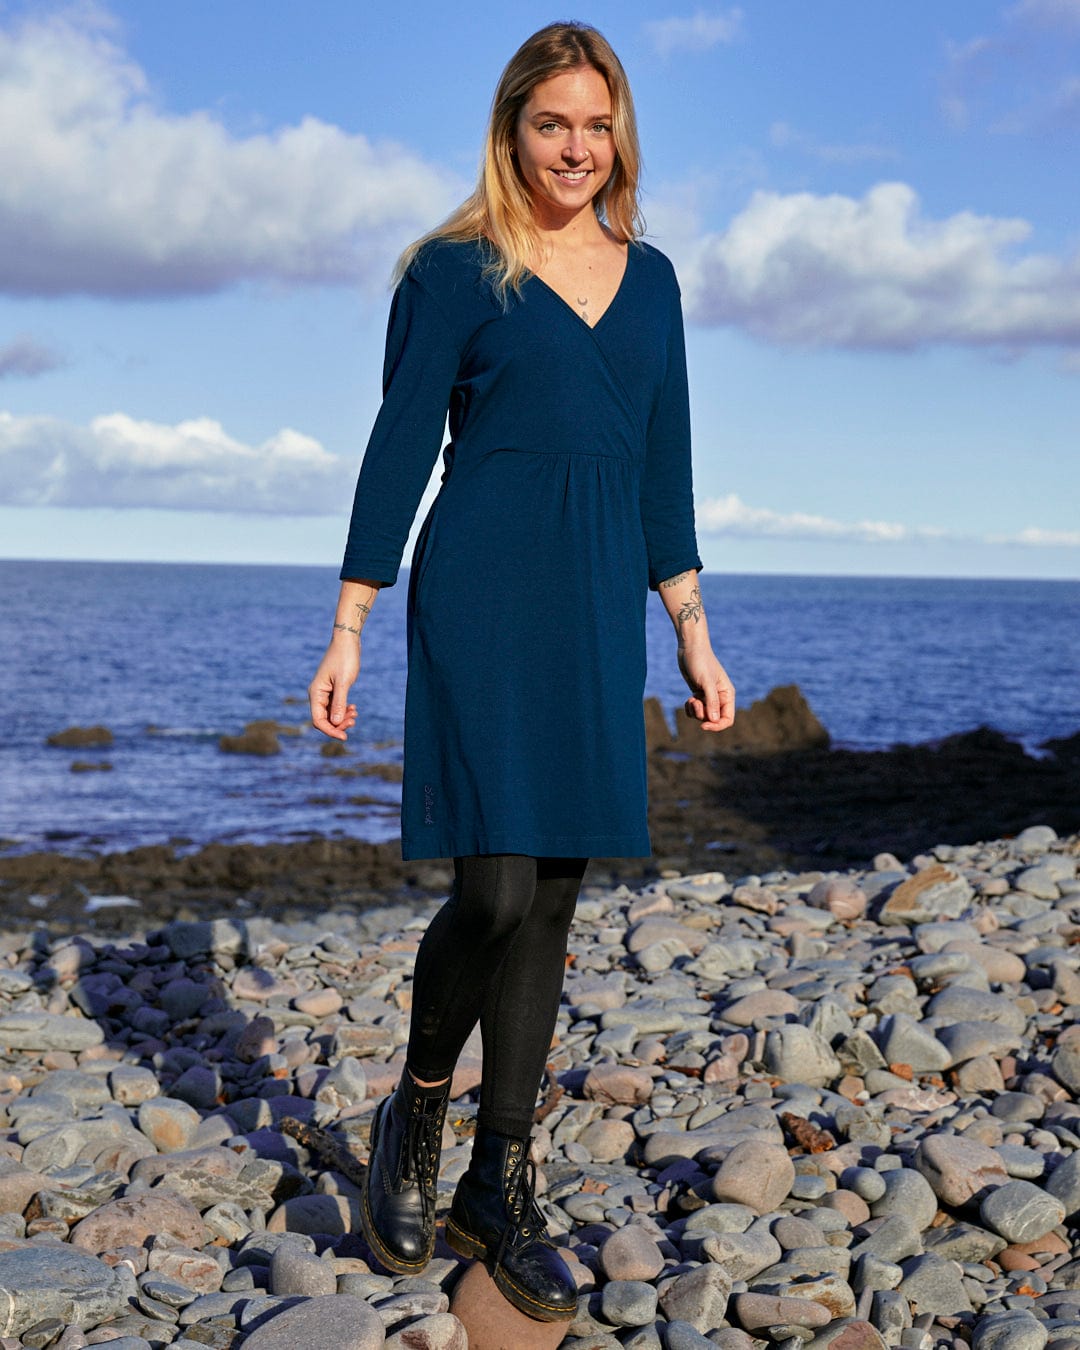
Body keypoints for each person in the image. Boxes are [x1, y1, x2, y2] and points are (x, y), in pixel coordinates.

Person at [308, 19, 735, 1323]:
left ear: (620, 136)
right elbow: (398, 448)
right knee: (491, 888)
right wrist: (350, 618)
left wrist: (692, 624)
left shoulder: (652, 280)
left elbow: (663, 458)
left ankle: (501, 1179)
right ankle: (416, 1108)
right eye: (552, 123)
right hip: (485, 587)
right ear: (511, 131)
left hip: (598, 600)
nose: (575, 146)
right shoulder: (452, 271)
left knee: (554, 891)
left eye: (595, 124)